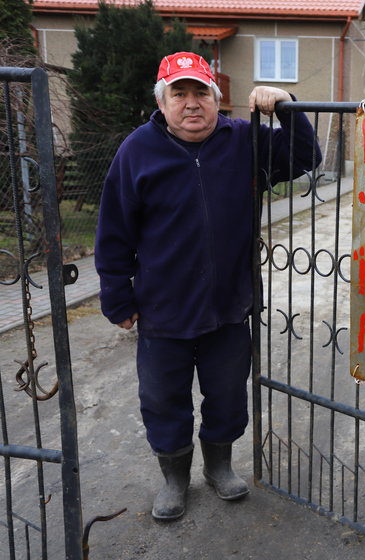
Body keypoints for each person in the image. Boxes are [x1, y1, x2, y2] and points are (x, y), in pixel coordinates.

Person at [94, 51, 321, 521]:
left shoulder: (244, 141)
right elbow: (113, 230)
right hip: (163, 309)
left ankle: (219, 467)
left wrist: (287, 105)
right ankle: (175, 477)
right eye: (180, 93)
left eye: (202, 92)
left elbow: (305, 156)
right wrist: (117, 296)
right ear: (162, 100)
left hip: (229, 306)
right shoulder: (137, 150)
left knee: (227, 395)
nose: (191, 103)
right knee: (162, 399)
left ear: (218, 99)